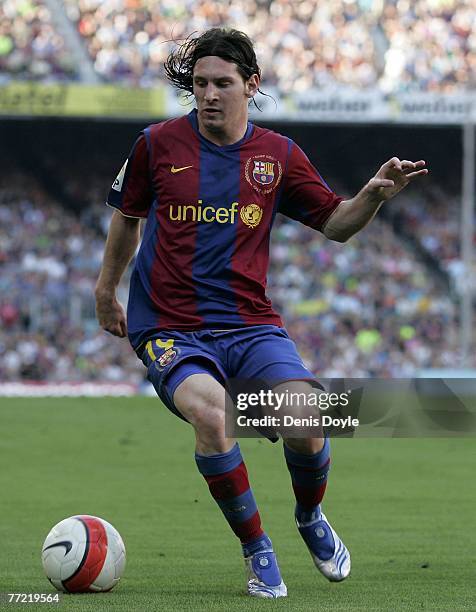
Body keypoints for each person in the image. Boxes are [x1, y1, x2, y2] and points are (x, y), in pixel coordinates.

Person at [95, 28, 428, 598]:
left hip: (250, 326)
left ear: (251, 85)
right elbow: (128, 216)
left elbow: (336, 225)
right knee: (215, 415)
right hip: (169, 326)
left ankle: (310, 516)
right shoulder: (156, 144)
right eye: (199, 84)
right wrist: (106, 291)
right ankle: (257, 549)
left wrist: (372, 195)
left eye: (222, 83)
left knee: (307, 417)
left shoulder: (277, 156)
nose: (209, 95)